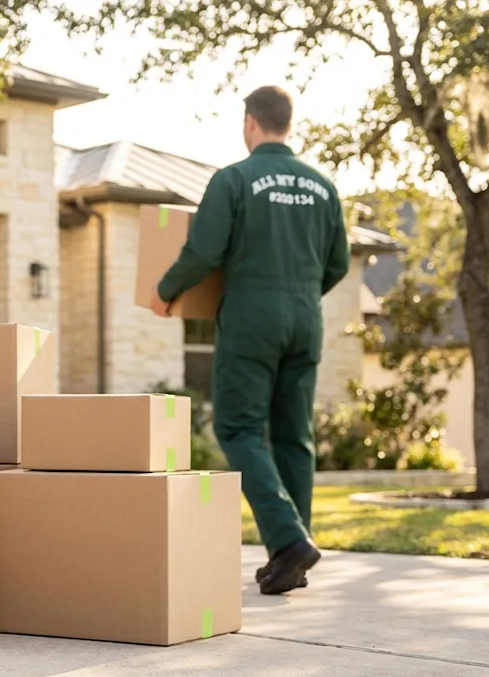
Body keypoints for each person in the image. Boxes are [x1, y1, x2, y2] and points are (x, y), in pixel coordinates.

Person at [150, 85, 350, 595]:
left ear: (250, 122)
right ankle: (292, 557)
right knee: (293, 438)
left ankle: (289, 541)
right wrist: (302, 294)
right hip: (306, 319)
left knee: (238, 429)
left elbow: (203, 250)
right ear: (287, 122)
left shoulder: (235, 179)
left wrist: (165, 291)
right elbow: (339, 264)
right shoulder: (323, 187)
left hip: (250, 318)